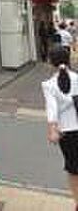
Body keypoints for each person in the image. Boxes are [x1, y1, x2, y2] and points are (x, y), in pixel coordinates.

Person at [42, 46, 78, 209]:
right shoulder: (77, 78)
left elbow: (52, 108)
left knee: (73, 169)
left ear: (51, 63)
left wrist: (52, 129)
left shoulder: (49, 84)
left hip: (66, 132)